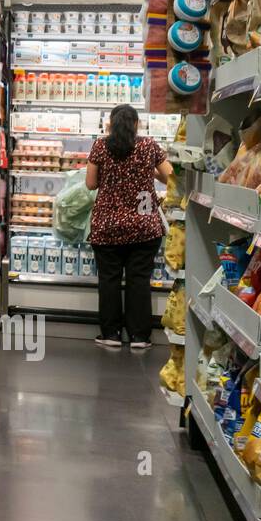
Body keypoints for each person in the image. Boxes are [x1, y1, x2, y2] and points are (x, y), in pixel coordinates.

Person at [84, 103, 172, 349]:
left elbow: (90, 184)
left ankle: (111, 334)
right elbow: (170, 176)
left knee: (109, 280)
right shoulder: (148, 145)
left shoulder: (101, 146)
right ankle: (139, 336)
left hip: (107, 226)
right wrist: (149, 171)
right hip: (144, 226)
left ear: (110, 125)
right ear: (136, 124)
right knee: (138, 280)